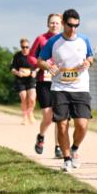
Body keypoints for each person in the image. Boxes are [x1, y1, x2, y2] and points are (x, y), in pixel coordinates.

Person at [37, 9, 94, 172]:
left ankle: (75, 148)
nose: (73, 29)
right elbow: (40, 60)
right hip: (60, 88)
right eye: (70, 25)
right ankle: (67, 158)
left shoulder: (84, 40)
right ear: (63, 24)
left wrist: (88, 63)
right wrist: (48, 65)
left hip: (81, 88)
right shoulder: (53, 42)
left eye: (77, 25)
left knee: (82, 125)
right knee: (62, 125)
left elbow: (90, 56)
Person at [28, 13, 65, 158]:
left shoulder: (64, 39)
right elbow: (31, 56)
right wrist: (44, 65)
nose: (54, 25)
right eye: (52, 23)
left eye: (57, 23)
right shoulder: (41, 39)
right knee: (48, 117)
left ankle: (58, 147)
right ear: (47, 24)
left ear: (61, 24)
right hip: (44, 81)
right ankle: (41, 136)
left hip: (61, 80)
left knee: (60, 116)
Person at [11, 38, 38, 124]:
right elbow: (12, 68)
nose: (25, 49)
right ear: (21, 46)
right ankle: (24, 118)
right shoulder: (17, 55)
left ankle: (30, 113)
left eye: (27, 47)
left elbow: (39, 64)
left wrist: (35, 71)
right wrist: (17, 73)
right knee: (23, 98)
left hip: (31, 79)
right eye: (23, 47)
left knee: (32, 99)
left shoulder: (33, 55)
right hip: (20, 80)